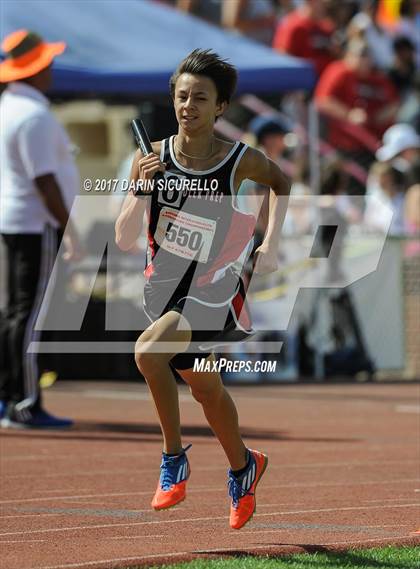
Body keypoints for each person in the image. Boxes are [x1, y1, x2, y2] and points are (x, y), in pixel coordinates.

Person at [115, 49, 290, 529]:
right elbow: (124, 237)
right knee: (206, 389)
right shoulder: (149, 158)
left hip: (215, 288)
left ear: (221, 107)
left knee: (148, 354)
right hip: (164, 292)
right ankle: (244, 465)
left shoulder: (239, 160)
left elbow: (282, 182)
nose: (188, 105)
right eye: (181, 96)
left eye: (200, 98)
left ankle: (173, 459)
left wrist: (270, 243)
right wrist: (140, 190)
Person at [0, 30, 82, 428]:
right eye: (45, 62)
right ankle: (25, 402)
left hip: (15, 221)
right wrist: (70, 228)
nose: (51, 68)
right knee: (27, 315)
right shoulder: (33, 115)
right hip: (34, 223)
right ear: (33, 69)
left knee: (14, 313)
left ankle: (10, 397)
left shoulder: (10, 107)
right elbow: (45, 181)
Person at [272, 0, 338, 77]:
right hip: (301, 82)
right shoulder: (293, 25)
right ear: (311, 2)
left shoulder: (326, 27)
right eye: (323, 4)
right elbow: (281, 61)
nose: (327, 8)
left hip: (323, 78)